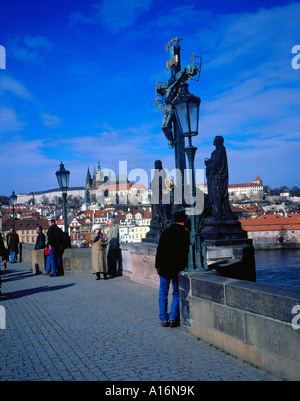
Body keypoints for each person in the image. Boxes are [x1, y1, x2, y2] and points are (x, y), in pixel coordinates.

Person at [155, 209, 190, 328]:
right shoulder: (185, 234)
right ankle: (173, 318)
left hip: (164, 268)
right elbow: (186, 253)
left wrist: (157, 265)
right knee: (176, 293)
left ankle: (163, 319)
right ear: (184, 221)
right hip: (177, 269)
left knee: (163, 293)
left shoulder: (165, 232)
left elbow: (159, 250)